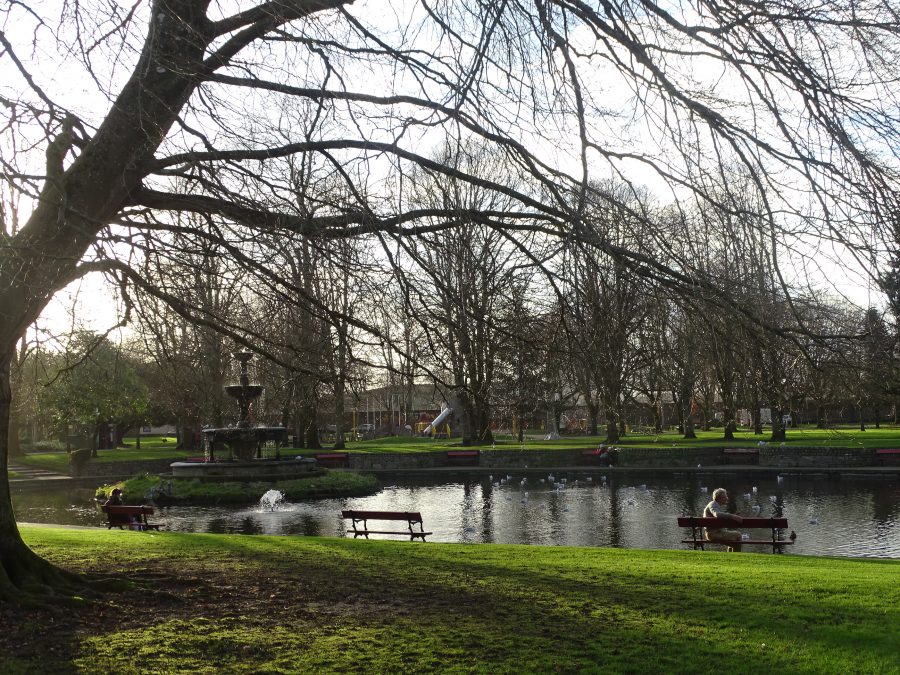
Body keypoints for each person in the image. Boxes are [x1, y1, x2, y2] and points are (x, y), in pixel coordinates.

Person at [703, 488, 743, 552]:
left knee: (734, 540)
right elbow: (717, 514)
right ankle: (737, 556)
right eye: (724, 497)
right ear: (718, 498)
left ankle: (731, 558)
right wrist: (733, 516)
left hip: (715, 533)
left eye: (726, 496)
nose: (727, 498)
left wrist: (732, 515)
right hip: (713, 534)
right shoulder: (713, 504)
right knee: (738, 535)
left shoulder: (715, 505)